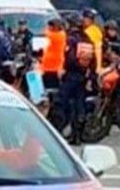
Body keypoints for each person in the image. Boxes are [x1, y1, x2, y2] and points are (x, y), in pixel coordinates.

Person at [59, 13, 96, 146]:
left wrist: (63, 69)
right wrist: (90, 77)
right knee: (79, 105)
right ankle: (77, 136)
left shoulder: (71, 40)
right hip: (83, 77)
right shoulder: (87, 40)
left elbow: (69, 58)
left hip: (71, 75)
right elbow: (93, 61)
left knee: (62, 102)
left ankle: (58, 132)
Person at [41, 17, 67, 90]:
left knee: (51, 87)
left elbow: (45, 33)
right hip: (49, 66)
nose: (49, 27)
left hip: (54, 66)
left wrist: (46, 29)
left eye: (51, 26)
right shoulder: (61, 34)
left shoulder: (58, 36)